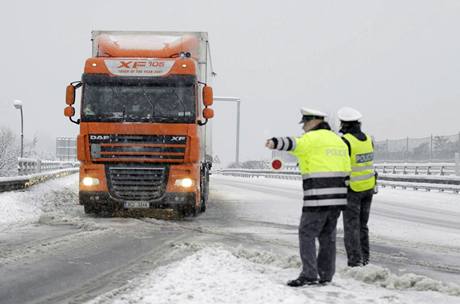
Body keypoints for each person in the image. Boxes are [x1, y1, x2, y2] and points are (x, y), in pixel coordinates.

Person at [265, 108, 350, 286]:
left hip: (317, 197)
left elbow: (293, 143)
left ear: (313, 121)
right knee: (328, 236)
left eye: (304, 123)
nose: (303, 127)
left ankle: (310, 274)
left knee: (307, 233)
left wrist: (274, 142)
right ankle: (326, 274)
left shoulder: (311, 138)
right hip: (338, 198)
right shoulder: (339, 140)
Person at [337, 107, 376, 267]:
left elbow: (341, 165)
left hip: (353, 189)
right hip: (369, 187)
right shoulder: (368, 138)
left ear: (343, 124)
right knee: (362, 225)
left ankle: (355, 261)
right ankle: (365, 258)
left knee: (351, 226)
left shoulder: (345, 141)